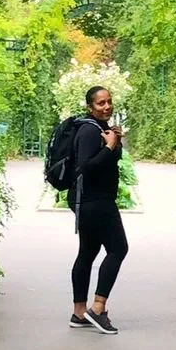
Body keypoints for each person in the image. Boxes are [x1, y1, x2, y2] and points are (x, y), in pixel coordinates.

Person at [67, 85, 128, 335]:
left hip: (91, 201)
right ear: (90, 107)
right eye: (100, 103)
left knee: (88, 252)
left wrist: (115, 143)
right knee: (118, 249)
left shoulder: (103, 130)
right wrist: (109, 147)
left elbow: (110, 161)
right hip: (96, 202)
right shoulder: (88, 132)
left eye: (109, 102)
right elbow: (86, 167)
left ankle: (79, 313)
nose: (106, 107)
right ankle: (97, 309)